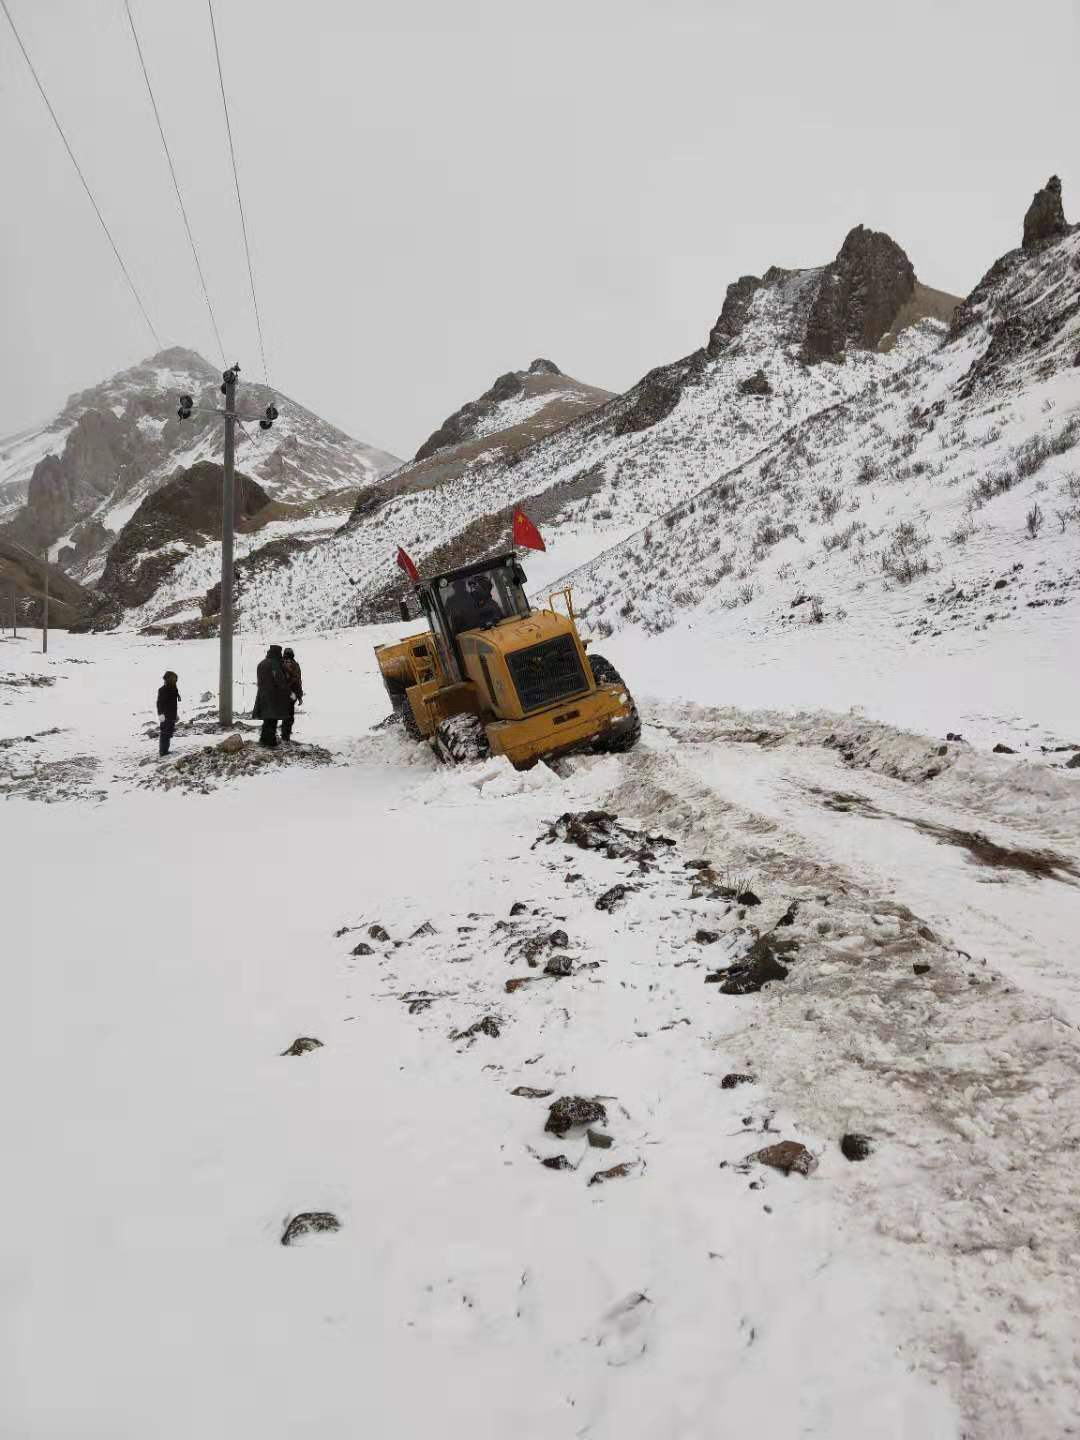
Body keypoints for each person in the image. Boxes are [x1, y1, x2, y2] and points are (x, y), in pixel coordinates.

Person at [252, 644, 292, 747]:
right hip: (273, 696)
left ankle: (263, 740)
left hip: (262, 695)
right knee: (272, 720)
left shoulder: (261, 663)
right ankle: (270, 742)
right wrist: (289, 692)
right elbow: (280, 681)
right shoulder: (274, 664)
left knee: (267, 719)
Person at [281, 647, 303, 743]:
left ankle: (279, 735)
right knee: (289, 716)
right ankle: (285, 737)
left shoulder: (278, 664)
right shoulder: (294, 665)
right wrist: (299, 696)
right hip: (291, 694)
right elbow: (297, 681)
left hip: (280, 693)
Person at [156, 670, 180, 756]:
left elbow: (174, 704)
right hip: (165, 716)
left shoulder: (174, 689)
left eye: (175, 679)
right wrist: (160, 714)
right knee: (164, 733)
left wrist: (176, 714)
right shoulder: (162, 690)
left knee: (169, 733)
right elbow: (159, 703)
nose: (174, 680)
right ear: (167, 679)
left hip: (172, 715)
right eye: (172, 678)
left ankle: (166, 750)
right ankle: (163, 751)